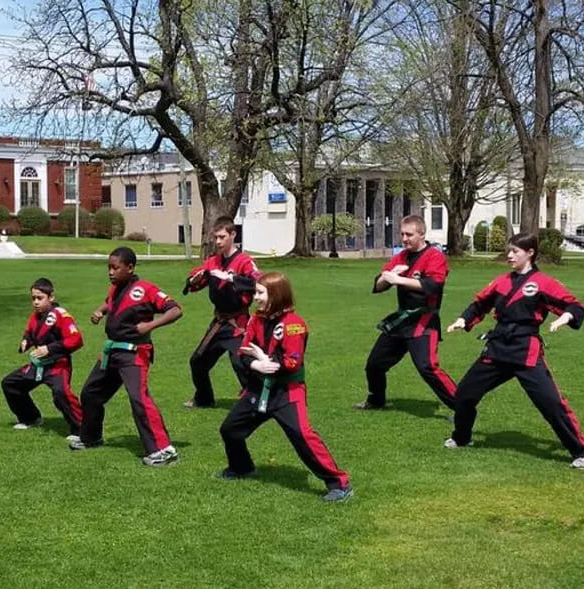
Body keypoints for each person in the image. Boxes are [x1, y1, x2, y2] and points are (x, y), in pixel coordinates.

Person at [445, 232, 584, 468]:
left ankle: (580, 452)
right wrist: (464, 320)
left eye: (515, 251)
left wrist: (565, 317)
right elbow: (480, 304)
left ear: (530, 253)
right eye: (508, 251)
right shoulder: (502, 281)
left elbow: (574, 305)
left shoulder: (543, 283)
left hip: (526, 351)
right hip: (497, 349)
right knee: (464, 395)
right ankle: (461, 438)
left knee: (551, 403)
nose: (509, 255)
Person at [219, 272, 353, 502]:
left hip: (287, 393)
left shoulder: (293, 326)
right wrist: (256, 363)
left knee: (303, 436)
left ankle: (339, 483)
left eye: (261, 293)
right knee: (230, 429)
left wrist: (265, 361)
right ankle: (242, 467)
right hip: (259, 389)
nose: (256, 298)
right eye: (256, 292)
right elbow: (243, 351)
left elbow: (291, 362)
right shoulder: (256, 320)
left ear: (277, 295)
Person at [71, 246, 184, 466]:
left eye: (115, 268)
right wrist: (100, 311)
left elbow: (175, 310)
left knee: (138, 398)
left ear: (130, 268)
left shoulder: (145, 289)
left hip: (134, 354)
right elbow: (110, 302)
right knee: (91, 393)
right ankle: (91, 437)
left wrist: (150, 325)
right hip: (112, 351)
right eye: (109, 268)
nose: (110, 272)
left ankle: (164, 450)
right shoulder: (115, 288)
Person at [354, 214, 457, 412]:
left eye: (409, 234)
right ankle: (376, 401)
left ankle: (462, 408)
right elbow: (379, 285)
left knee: (427, 367)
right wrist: (389, 277)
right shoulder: (401, 256)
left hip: (424, 321)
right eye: (402, 234)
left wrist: (398, 280)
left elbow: (432, 285)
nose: (404, 239)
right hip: (402, 321)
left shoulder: (434, 256)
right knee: (374, 364)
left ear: (422, 234)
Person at [182, 215, 261, 408]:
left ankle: (256, 400)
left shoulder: (244, 261)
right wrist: (193, 280)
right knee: (198, 361)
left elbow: (258, 283)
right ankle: (204, 399)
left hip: (238, 323)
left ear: (233, 234)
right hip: (219, 323)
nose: (218, 242)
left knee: (242, 363)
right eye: (216, 237)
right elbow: (196, 279)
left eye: (222, 237)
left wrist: (231, 278)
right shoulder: (213, 261)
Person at [1, 277, 84, 442]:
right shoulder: (35, 316)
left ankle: (82, 429)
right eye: (33, 298)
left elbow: (76, 339)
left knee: (61, 393)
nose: (36, 302)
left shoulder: (61, 315)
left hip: (58, 366)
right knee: (10, 383)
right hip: (39, 365)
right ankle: (30, 418)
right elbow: (30, 332)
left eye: (40, 298)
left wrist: (49, 349)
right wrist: (26, 341)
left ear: (51, 297)